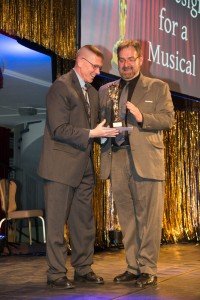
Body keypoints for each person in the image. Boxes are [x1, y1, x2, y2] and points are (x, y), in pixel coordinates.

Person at [38, 45, 119, 289]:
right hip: (59, 167)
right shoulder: (61, 87)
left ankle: (83, 269)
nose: (97, 71)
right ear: (80, 61)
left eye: (99, 67)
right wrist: (92, 132)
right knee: (56, 223)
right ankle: (55, 274)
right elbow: (59, 128)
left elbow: (93, 128)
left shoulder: (93, 93)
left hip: (83, 167)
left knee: (83, 222)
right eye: (94, 66)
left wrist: (108, 132)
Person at [99, 40, 175, 287]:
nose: (126, 65)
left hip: (146, 160)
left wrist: (143, 118)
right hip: (117, 157)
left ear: (141, 60)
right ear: (117, 62)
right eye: (122, 60)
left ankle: (148, 268)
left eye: (131, 59)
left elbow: (168, 120)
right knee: (128, 218)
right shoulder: (107, 89)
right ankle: (133, 267)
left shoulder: (157, 87)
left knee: (148, 218)